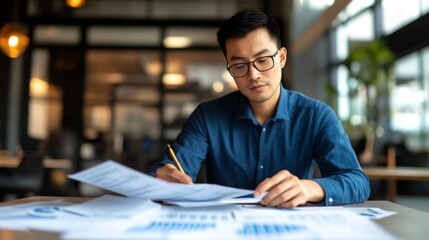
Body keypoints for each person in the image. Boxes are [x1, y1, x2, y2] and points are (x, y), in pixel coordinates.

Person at [149, 9, 370, 208]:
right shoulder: (207, 117)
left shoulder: (317, 116)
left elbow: (357, 182)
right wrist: (162, 180)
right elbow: (169, 171)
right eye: (239, 65)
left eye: (263, 60)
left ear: (281, 58)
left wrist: (308, 188)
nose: (253, 75)